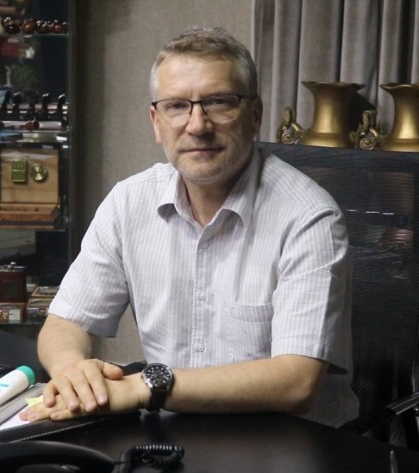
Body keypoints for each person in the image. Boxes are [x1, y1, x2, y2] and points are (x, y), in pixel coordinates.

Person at [19, 25, 359, 428]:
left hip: (293, 441)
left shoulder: (309, 217)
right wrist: (73, 372)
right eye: (177, 106)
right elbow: (65, 323)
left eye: (218, 102)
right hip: (176, 431)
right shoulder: (129, 203)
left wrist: (145, 387)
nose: (197, 125)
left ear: (254, 116)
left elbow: (296, 382)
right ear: (156, 122)